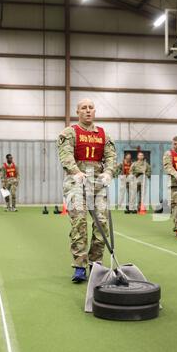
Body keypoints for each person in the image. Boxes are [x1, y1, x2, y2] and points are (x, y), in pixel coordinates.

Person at [57, 98, 117, 283]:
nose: (88, 110)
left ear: (95, 111)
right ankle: (79, 266)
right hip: (76, 182)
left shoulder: (104, 135)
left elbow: (111, 157)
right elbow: (65, 155)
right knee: (80, 221)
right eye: (84, 108)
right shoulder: (70, 132)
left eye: (91, 107)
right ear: (78, 112)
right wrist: (76, 172)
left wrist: (108, 173)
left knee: (102, 224)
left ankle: (96, 263)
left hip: (98, 184)